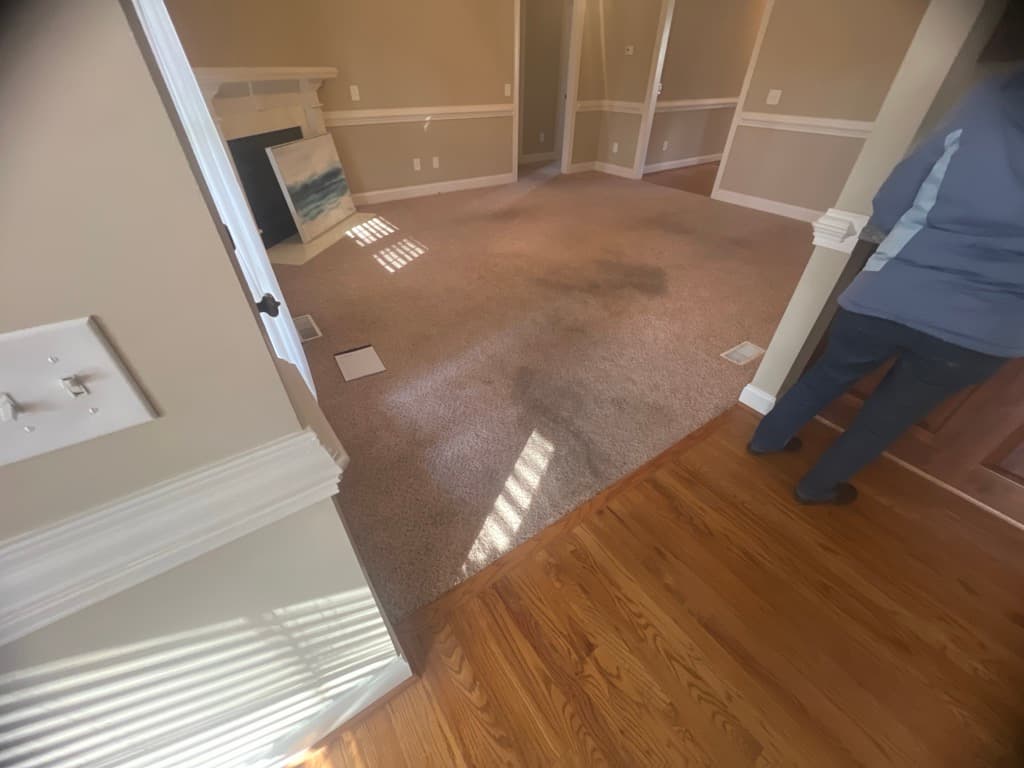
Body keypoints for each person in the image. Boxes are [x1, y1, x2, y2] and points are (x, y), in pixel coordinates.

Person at [747, 68, 1024, 505]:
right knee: (887, 416)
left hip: (891, 288)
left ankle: (766, 440)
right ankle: (816, 487)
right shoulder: (990, 94)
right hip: (985, 327)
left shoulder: (991, 95)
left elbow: (901, 187)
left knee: (826, 375)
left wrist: (900, 249)